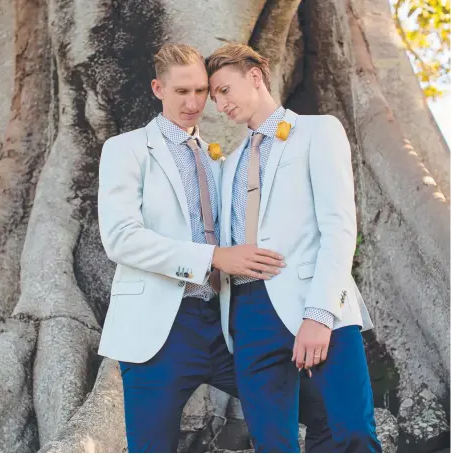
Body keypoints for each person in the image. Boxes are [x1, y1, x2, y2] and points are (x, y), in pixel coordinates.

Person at [98, 43, 334, 453]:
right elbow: (120, 237)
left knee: (324, 413)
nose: (193, 103)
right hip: (158, 332)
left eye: (202, 92)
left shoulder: (219, 158)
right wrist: (212, 258)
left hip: (227, 326)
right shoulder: (126, 149)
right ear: (158, 89)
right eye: (181, 92)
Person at [206, 43, 382, 452]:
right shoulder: (228, 164)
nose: (220, 104)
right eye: (214, 97)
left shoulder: (319, 131)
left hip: (317, 301)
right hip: (247, 313)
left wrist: (320, 315)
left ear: (254, 76)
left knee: (352, 432)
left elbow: (339, 227)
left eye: (224, 90)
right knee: (271, 442)